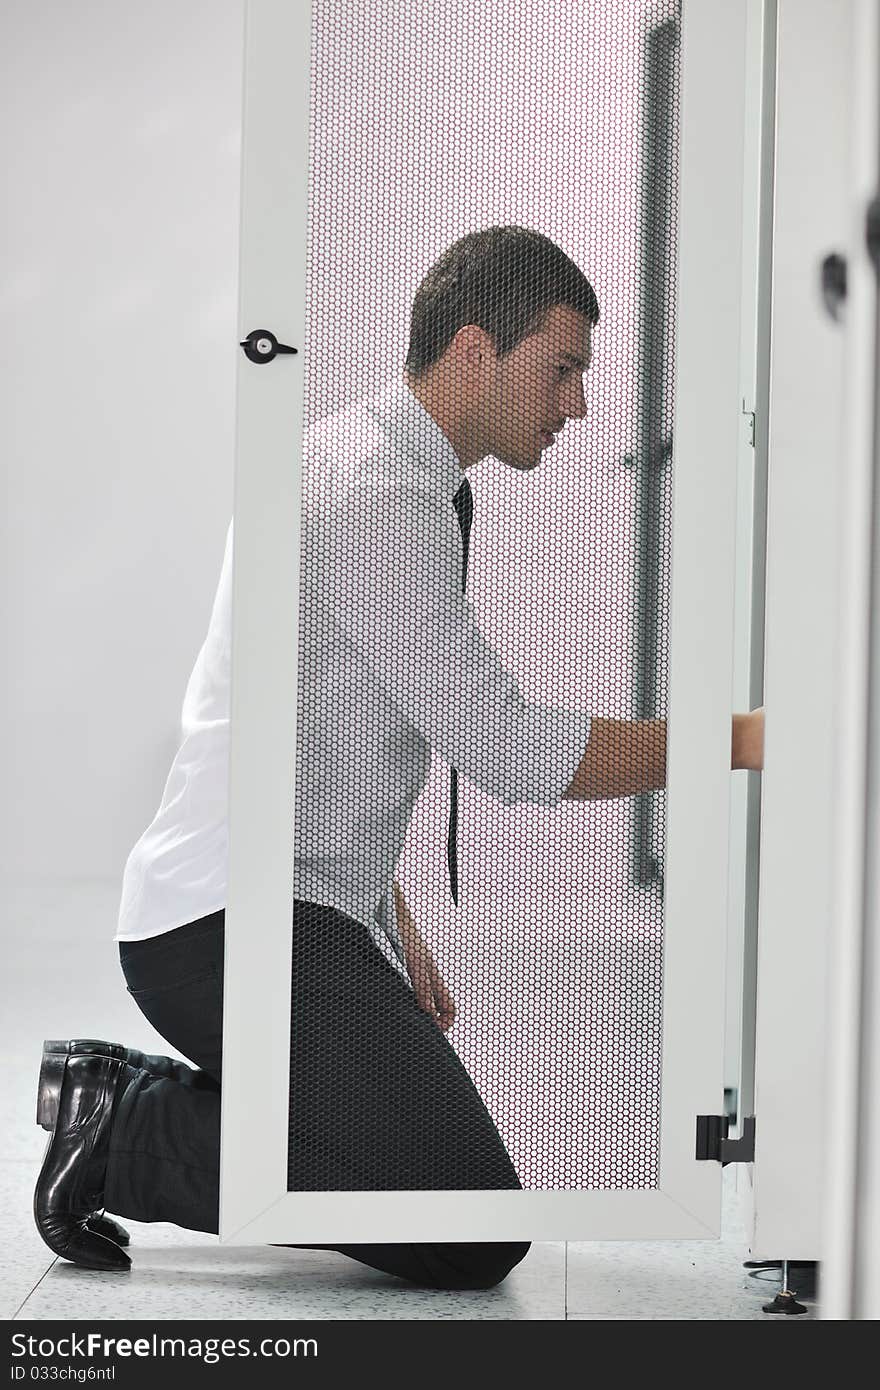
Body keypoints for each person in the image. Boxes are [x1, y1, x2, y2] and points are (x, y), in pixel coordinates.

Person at [32, 226, 765, 1290]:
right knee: (465, 1229)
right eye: (560, 371)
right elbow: (503, 743)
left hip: (262, 901)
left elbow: (320, 710)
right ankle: (124, 1131)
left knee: (439, 1202)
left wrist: (381, 903)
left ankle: (119, 1096)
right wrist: (735, 740)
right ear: (477, 351)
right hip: (228, 924)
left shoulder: (368, 465)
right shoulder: (377, 496)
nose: (577, 407)